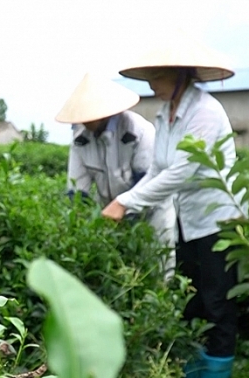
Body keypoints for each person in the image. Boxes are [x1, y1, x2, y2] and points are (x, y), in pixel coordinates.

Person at [100, 34, 246, 378]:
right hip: (189, 223)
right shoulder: (165, 114)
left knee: (218, 306)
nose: (150, 83)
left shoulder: (206, 112)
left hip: (218, 222)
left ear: (178, 75)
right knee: (193, 302)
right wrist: (125, 202)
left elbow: (184, 171)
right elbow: (157, 170)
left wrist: (126, 201)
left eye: (156, 75)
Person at [55, 73, 176, 276]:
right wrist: (75, 228)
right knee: (121, 271)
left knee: (156, 271)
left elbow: (147, 182)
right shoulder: (80, 139)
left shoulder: (139, 131)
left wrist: (124, 211)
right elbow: (77, 191)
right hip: (112, 214)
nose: (83, 122)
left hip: (152, 213)